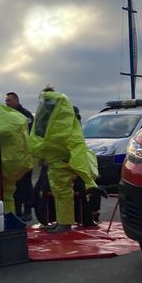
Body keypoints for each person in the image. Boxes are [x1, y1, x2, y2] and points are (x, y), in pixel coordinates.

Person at [29, 86, 99, 233]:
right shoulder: (58, 116)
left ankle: (65, 223)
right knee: (59, 191)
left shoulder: (58, 118)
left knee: (63, 191)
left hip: (62, 161)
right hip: (56, 160)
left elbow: (65, 141)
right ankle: (62, 221)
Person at [5, 92, 34, 221]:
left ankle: (27, 211)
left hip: (25, 155)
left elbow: (30, 134)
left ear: (16, 100)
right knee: (15, 186)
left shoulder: (26, 115)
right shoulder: (8, 116)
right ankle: (17, 211)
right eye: (6, 101)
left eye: (9, 101)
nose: (7, 103)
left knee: (25, 185)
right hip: (14, 157)